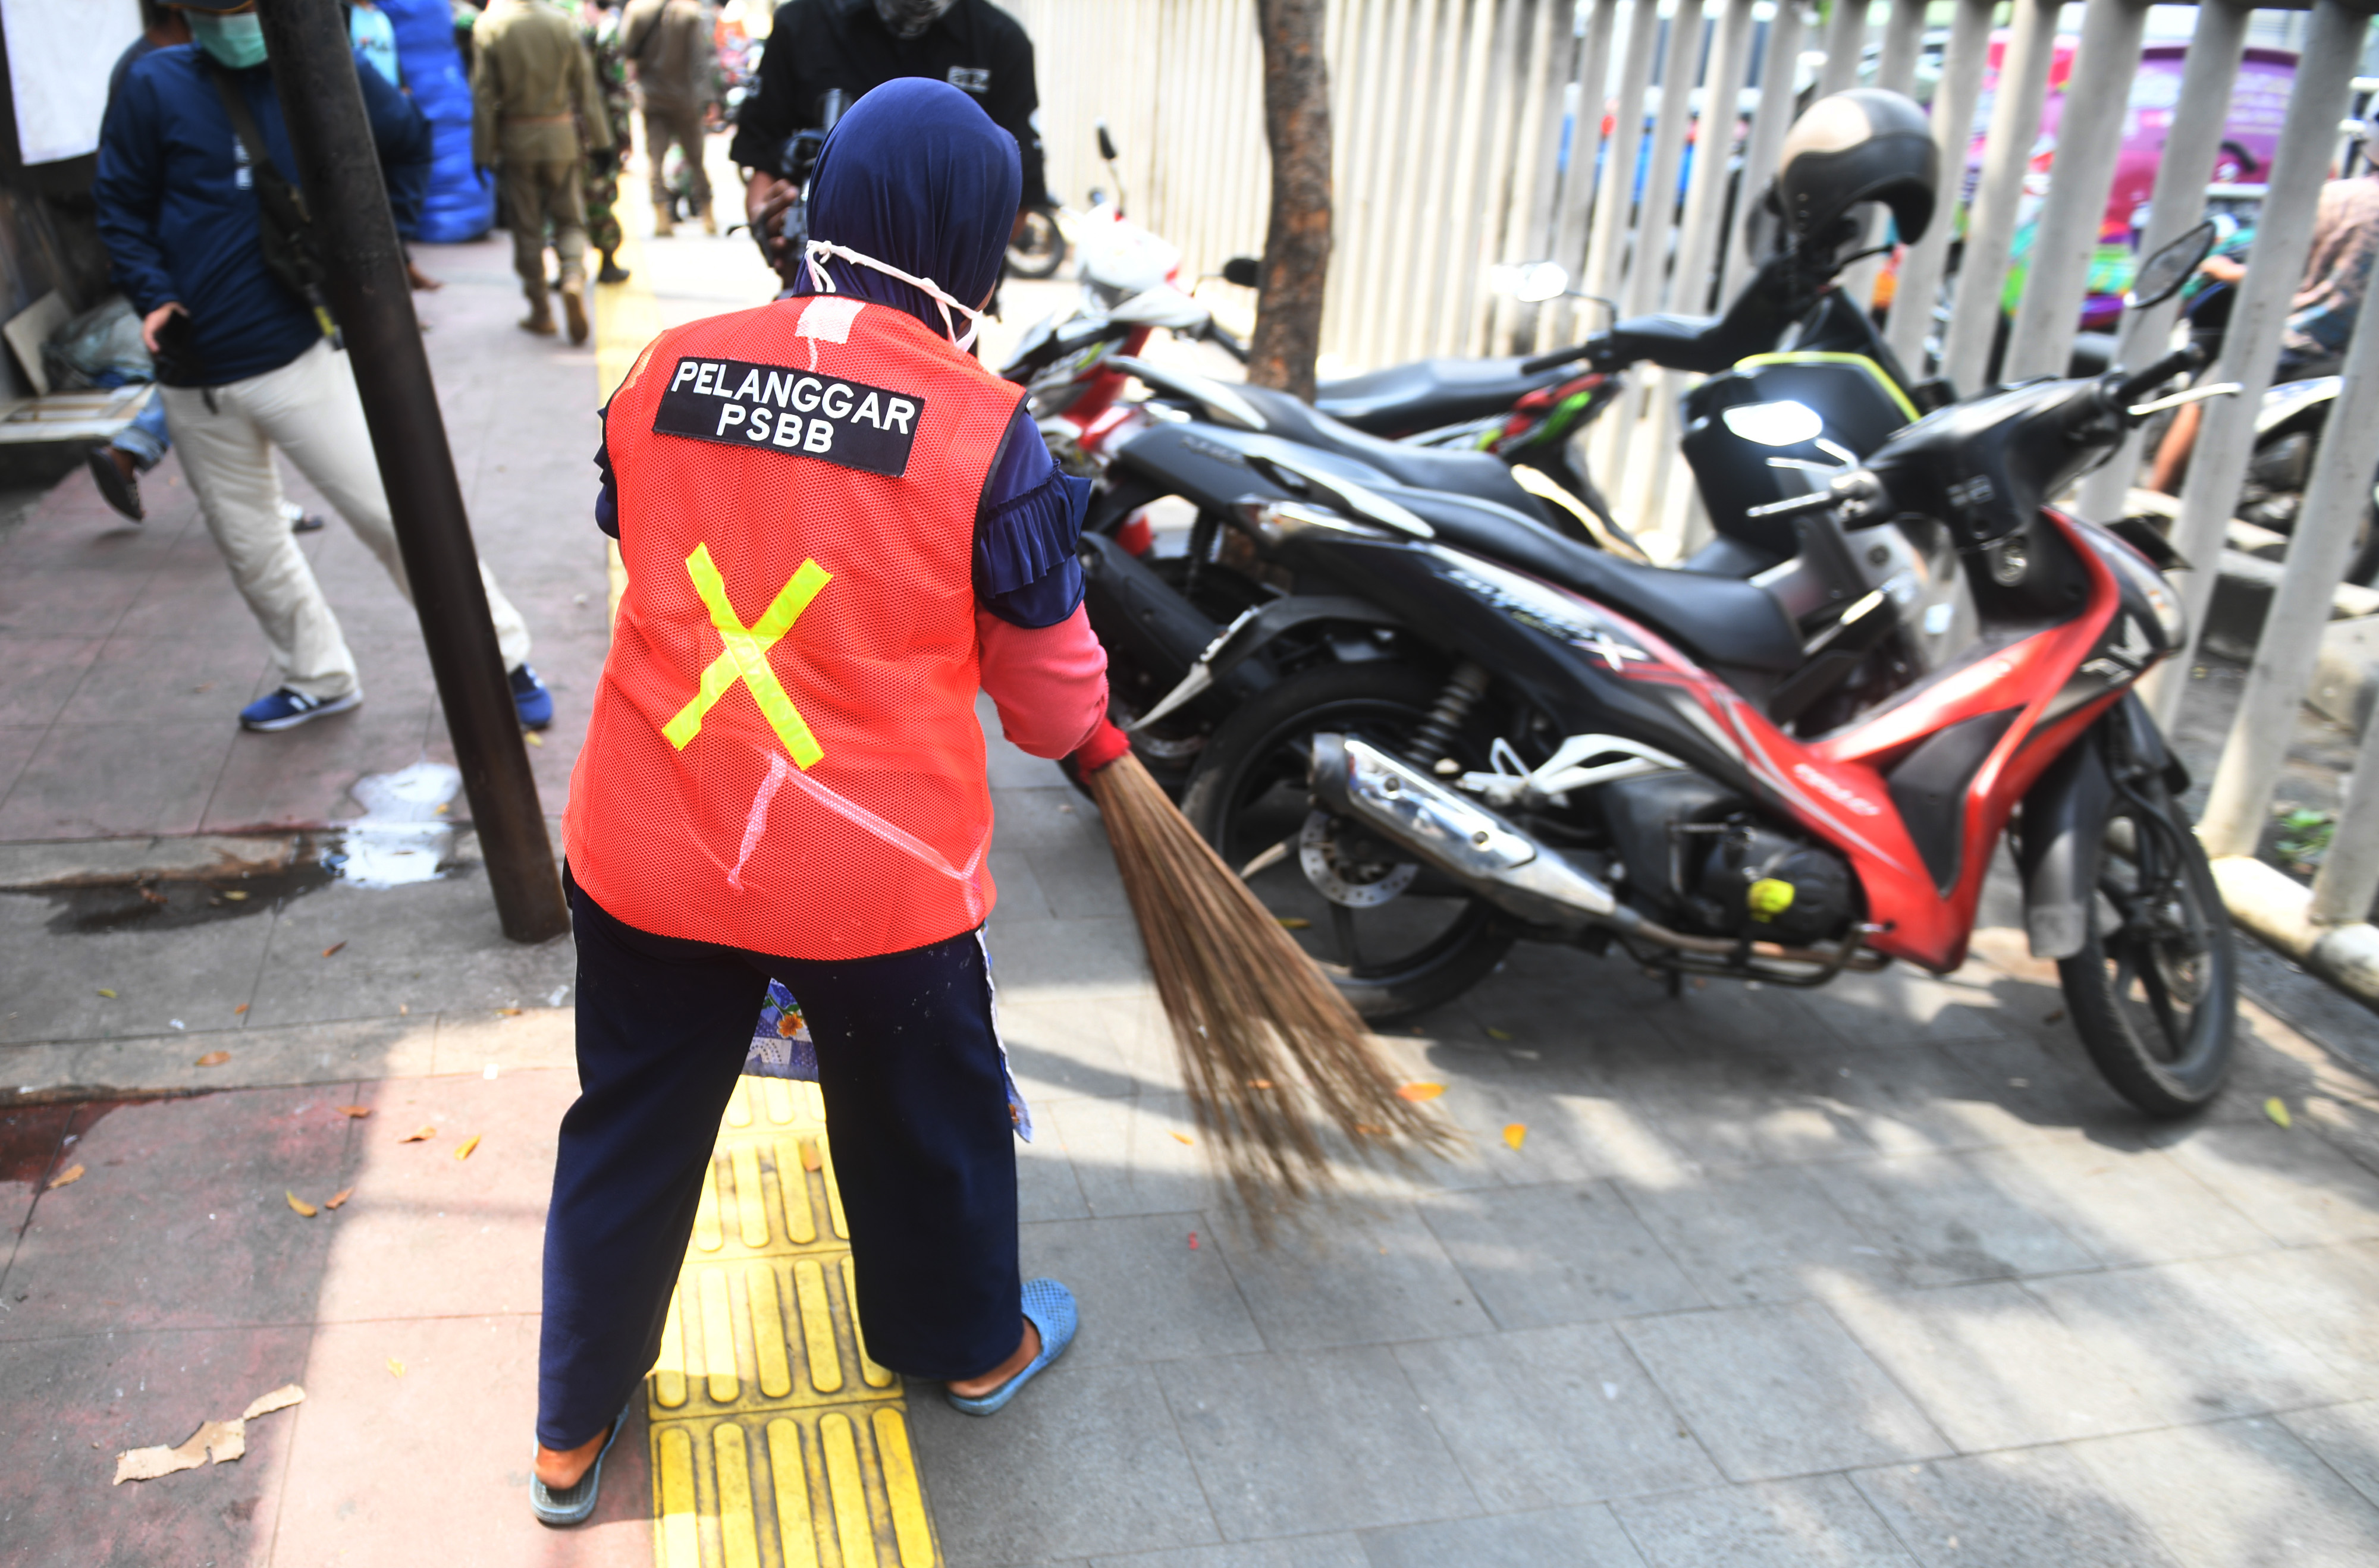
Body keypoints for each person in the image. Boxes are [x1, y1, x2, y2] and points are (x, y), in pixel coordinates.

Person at [529, 78, 1123, 1526]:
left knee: (629, 1120)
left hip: (649, 843)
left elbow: (637, 526)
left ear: (830, 196)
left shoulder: (663, 367)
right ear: (973, 239)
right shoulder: (985, 432)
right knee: (925, 1118)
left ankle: (567, 1425)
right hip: (876, 875)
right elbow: (1050, 707)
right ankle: (970, 1346)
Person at [93, 0, 553, 734]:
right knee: (250, 545)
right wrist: (154, 296)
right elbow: (120, 205)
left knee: (396, 516)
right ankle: (317, 676)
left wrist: (379, 252)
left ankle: (504, 658)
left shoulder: (319, 68)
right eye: (215, 6)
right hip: (192, 376)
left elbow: (408, 140)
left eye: (244, 4)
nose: (231, 16)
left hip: (294, 354)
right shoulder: (154, 84)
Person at [729, 0, 1048, 285]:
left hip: (942, 308)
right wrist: (772, 221)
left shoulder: (1000, 41)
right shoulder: (802, 24)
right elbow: (761, 165)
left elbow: (1017, 212)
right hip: (817, 287)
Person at [2149, 169, 2379, 494]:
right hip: (2361, 357)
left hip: (2302, 339)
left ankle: (2155, 495)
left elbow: (2277, 269)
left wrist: (2225, 270)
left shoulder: (2337, 197)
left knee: (2202, 400)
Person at [472, 0, 612, 343]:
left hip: (517, 138)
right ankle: (573, 275)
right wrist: (602, 141)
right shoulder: (563, 22)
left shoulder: (490, 25)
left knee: (528, 227)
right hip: (561, 137)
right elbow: (586, 88)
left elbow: (484, 94)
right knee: (570, 219)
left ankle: (541, 311)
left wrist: (482, 152)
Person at [620, 0, 713, 235]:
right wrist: (707, 98)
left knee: (655, 160)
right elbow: (699, 59)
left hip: (652, 97)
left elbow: (625, 49)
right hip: (685, 98)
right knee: (696, 159)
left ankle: (662, 219)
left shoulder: (637, 11)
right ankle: (708, 215)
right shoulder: (689, 14)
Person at [578, 0, 635, 283]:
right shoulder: (604, 32)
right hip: (594, 130)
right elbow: (615, 89)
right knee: (600, 195)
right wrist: (623, 137)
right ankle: (608, 261)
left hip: (551, 130)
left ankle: (568, 267)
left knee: (559, 202)